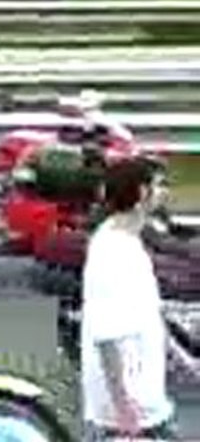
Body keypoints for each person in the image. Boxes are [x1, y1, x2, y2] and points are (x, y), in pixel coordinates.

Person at [81, 159, 176, 441]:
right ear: (140, 193)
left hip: (143, 397)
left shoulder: (127, 240)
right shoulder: (113, 251)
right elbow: (106, 334)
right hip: (130, 407)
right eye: (158, 185)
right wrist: (124, 409)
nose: (165, 192)